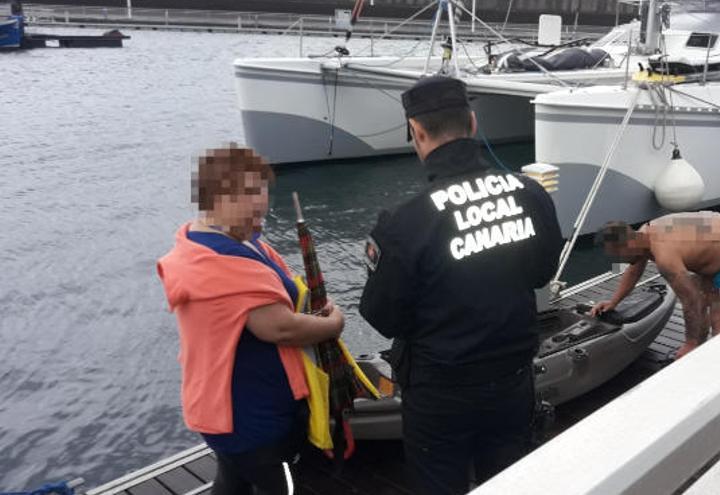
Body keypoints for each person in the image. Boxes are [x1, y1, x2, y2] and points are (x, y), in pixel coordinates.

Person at [359, 76, 564, 494]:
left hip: (440, 393)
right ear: (472, 123)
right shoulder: (529, 194)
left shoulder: (404, 222)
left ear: (416, 132)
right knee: (509, 481)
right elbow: (543, 273)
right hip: (512, 380)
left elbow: (382, 315)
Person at [157, 145, 345, 495]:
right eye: (252, 209)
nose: (261, 220)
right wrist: (333, 325)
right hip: (252, 420)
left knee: (233, 477)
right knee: (284, 487)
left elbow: (281, 292)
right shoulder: (222, 264)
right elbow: (279, 327)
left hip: (224, 414)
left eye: (262, 198)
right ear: (218, 200)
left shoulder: (213, 241)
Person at [591, 211, 720, 359]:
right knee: (702, 304)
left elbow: (691, 302)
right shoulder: (642, 236)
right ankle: (699, 353)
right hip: (714, 251)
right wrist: (614, 302)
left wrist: (689, 343)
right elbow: (634, 270)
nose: (619, 261)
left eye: (618, 256)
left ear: (628, 243)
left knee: (719, 319)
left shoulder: (665, 257)